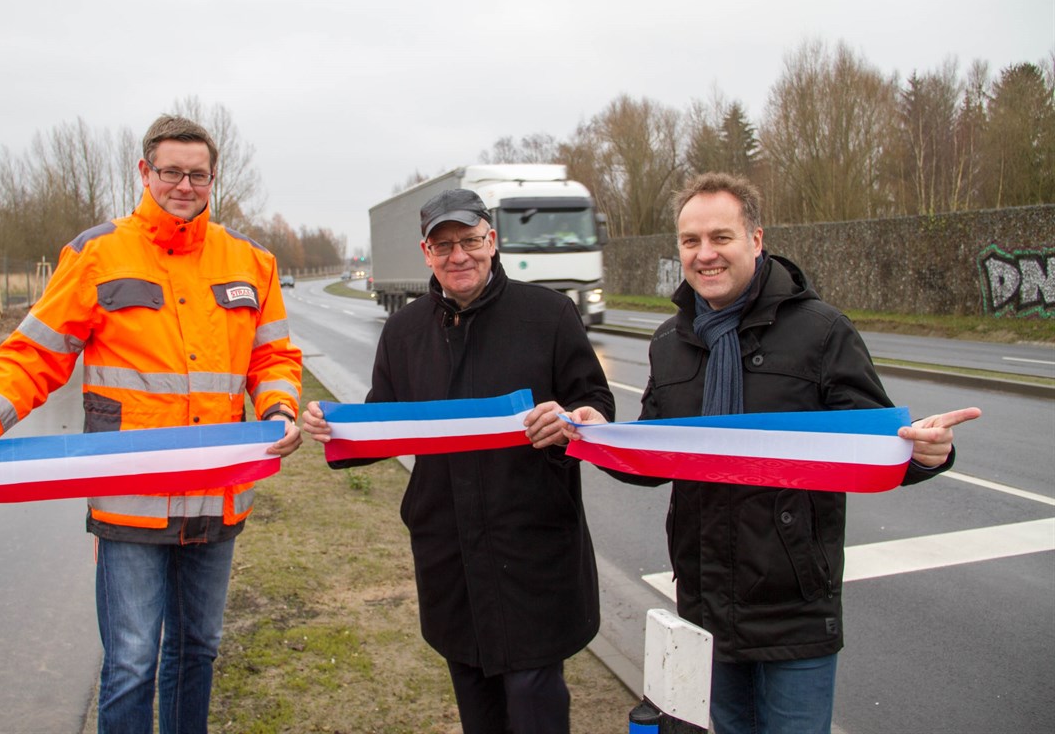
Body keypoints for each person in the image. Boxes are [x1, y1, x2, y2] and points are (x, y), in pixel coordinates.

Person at [0, 114, 304, 734]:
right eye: (172, 172)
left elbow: (274, 357)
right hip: (131, 502)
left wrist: (280, 409)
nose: (185, 185)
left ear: (213, 178)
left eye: (198, 174)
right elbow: (34, 355)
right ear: (145, 172)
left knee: (198, 651)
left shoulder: (251, 261)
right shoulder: (96, 254)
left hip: (219, 494)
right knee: (130, 663)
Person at [563, 172, 980, 734]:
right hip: (704, 602)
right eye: (691, 241)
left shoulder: (823, 332)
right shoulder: (670, 341)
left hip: (795, 609)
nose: (705, 254)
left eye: (721, 237)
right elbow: (656, 456)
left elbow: (878, 449)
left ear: (756, 240)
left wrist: (927, 455)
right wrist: (598, 438)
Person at [301, 188, 615, 734]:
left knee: (534, 696)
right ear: (426, 253)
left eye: (469, 240)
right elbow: (383, 420)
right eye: (443, 245)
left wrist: (574, 419)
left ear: (492, 241)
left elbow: (596, 405)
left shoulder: (549, 315)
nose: (458, 255)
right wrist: (333, 427)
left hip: (533, 551)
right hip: (450, 553)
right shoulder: (404, 331)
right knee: (477, 702)